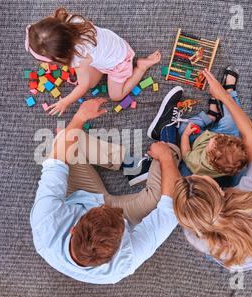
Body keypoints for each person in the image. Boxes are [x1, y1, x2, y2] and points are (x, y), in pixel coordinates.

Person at [30, 98, 181, 284]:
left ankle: (132, 166)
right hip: (92, 203)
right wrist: (165, 156)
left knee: (59, 142)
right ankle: (168, 136)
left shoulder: (45, 222)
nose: (113, 209)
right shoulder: (124, 263)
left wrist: (80, 117)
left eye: (100, 210)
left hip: (79, 193)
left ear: (73, 229)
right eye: (120, 219)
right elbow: (169, 210)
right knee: (172, 187)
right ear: (116, 250)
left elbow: (54, 163)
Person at [171, 68, 252, 271]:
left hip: (249, 251)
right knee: (239, 133)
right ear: (218, 187)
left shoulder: (194, 233)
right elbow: (251, 137)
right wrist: (223, 94)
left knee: (181, 164)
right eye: (200, 178)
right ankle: (227, 98)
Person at [25, 7, 161, 116]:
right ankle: (102, 69)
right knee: (92, 83)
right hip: (107, 48)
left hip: (119, 62)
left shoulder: (79, 59)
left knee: (116, 96)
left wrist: (65, 102)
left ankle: (141, 67)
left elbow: (82, 86)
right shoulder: (71, 21)